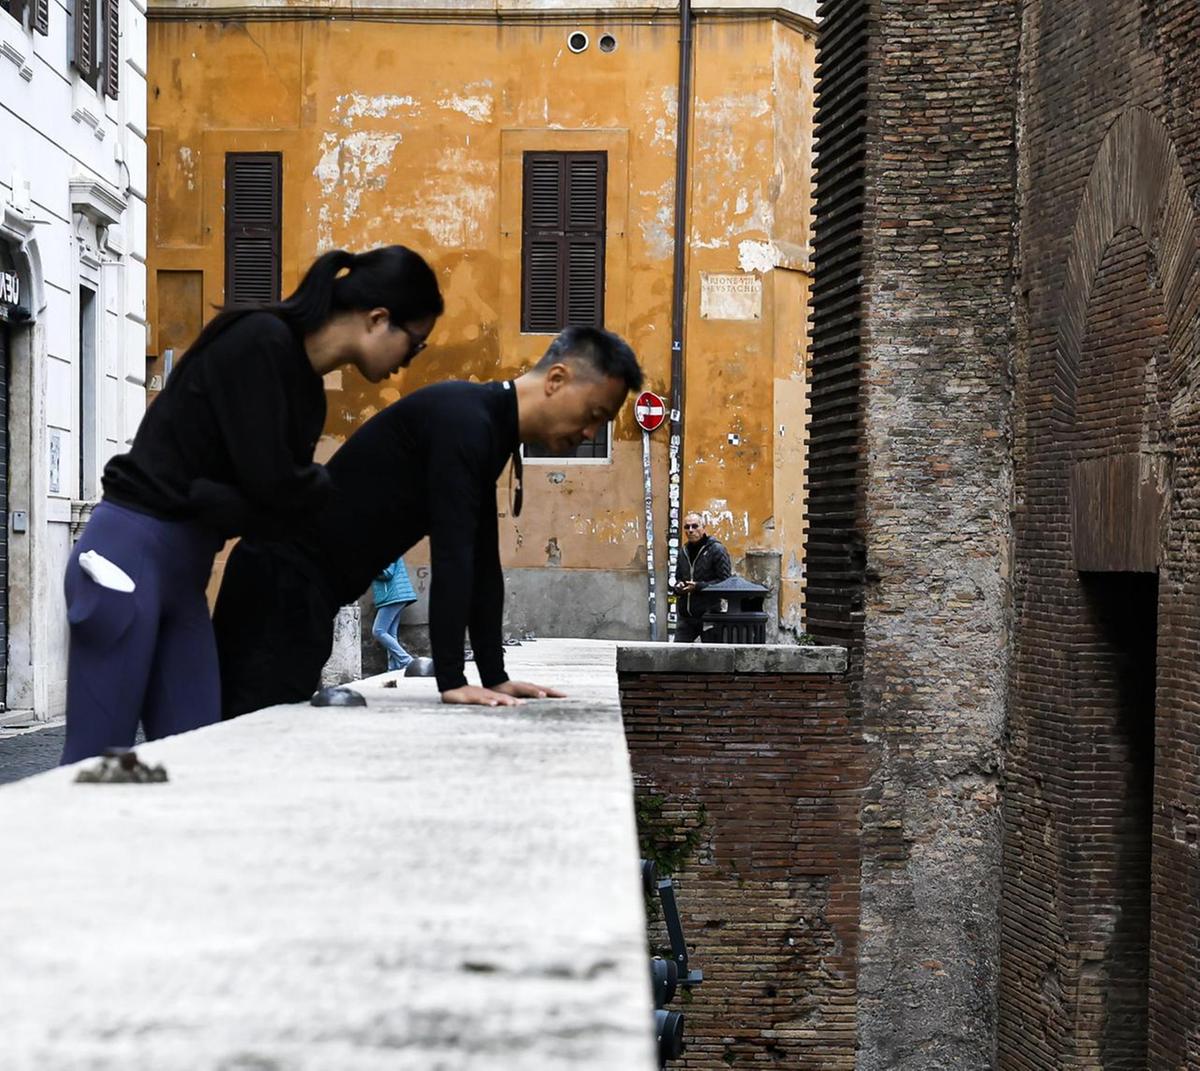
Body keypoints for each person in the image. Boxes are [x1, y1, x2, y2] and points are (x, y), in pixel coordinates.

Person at [60, 245, 444, 764]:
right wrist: (294, 488)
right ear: (378, 319)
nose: (407, 363)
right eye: (414, 344)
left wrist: (246, 494)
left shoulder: (308, 394)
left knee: (200, 755)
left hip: (185, 569)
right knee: (95, 761)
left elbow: (277, 500)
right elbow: (272, 488)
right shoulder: (261, 341)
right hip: (127, 554)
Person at [214, 325, 643, 715]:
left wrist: (494, 676)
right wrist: (451, 681)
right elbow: (452, 554)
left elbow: (482, 562)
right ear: (557, 379)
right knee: (247, 737)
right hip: (277, 586)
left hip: (299, 589)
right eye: (594, 415)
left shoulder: (486, 425)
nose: (590, 433)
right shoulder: (467, 421)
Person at [671, 511, 732, 643]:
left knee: (712, 652)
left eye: (695, 526)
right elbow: (678, 577)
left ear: (704, 528)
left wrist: (698, 586)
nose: (690, 530)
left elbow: (726, 583)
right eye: (687, 527)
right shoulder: (683, 551)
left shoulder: (716, 549)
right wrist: (679, 586)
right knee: (677, 651)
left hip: (709, 615)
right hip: (686, 616)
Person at [372, 555, 417, 672]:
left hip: (393, 596)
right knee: (390, 634)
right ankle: (394, 667)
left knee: (378, 631)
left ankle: (407, 661)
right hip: (393, 596)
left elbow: (387, 573)